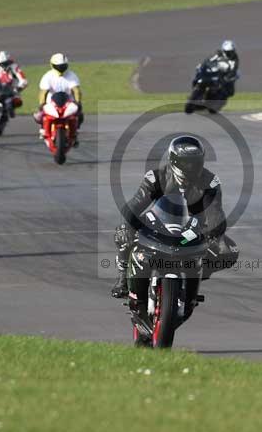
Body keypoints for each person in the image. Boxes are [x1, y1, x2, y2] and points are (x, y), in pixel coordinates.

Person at [111, 135, 239, 299]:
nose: (191, 167)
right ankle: (123, 278)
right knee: (122, 233)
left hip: (191, 229)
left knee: (229, 251)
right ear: (174, 160)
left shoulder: (210, 182)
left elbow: (216, 213)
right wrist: (127, 227)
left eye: (196, 162)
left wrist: (213, 235)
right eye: (186, 162)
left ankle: (194, 275)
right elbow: (134, 206)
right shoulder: (156, 177)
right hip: (157, 225)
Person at [36, 53, 83, 134]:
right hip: (51, 103)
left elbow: (76, 91)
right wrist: (42, 104)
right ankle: (43, 128)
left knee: (79, 115)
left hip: (68, 103)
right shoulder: (48, 76)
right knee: (39, 115)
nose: (60, 68)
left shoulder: (71, 76)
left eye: (62, 66)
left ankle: (75, 131)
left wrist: (78, 102)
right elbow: (43, 92)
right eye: (58, 66)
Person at [0, 50, 28, 117]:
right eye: (2, 63)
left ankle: (10, 110)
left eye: (5, 63)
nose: (4, 65)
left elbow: (23, 80)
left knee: (18, 101)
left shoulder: (14, 67)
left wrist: (18, 88)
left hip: (11, 91)